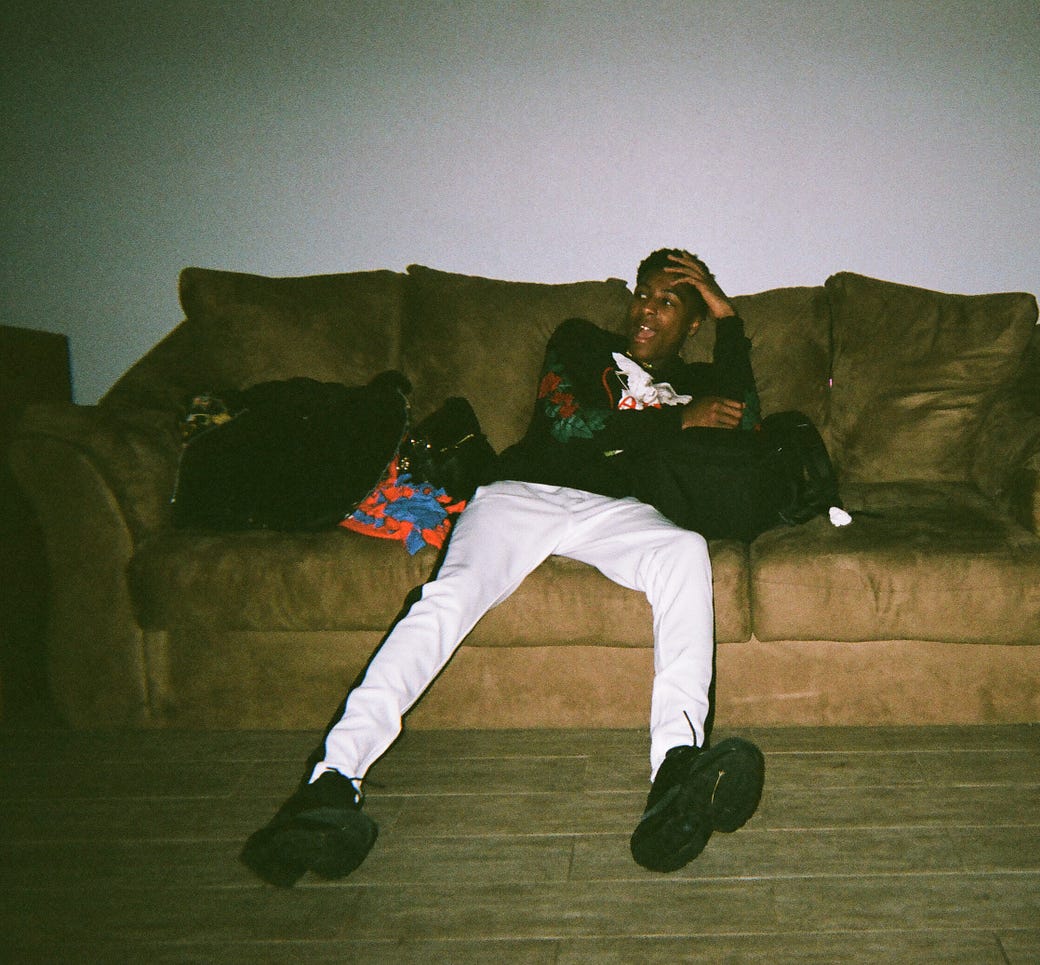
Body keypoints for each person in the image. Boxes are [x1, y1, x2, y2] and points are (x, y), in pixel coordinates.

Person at [241, 250, 766, 885]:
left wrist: (726, 313)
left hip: (618, 510)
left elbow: (743, 418)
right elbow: (569, 425)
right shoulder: (581, 341)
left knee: (683, 551)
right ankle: (329, 781)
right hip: (523, 493)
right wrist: (679, 420)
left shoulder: (693, 379)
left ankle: (676, 771)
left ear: (692, 324)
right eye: (641, 294)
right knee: (449, 596)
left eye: (668, 302)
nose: (645, 311)